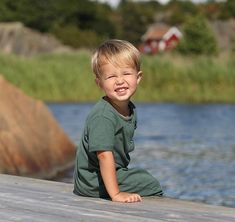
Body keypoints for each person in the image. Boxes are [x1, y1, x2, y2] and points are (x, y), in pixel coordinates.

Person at [73, 39, 163, 203]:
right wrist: (116, 195)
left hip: (110, 172)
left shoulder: (130, 109)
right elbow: (104, 156)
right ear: (99, 83)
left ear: (138, 77)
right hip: (92, 180)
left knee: (142, 177)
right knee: (149, 183)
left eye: (126, 73)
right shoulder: (103, 116)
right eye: (111, 76)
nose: (120, 81)